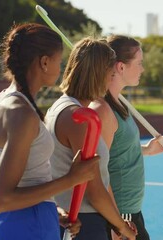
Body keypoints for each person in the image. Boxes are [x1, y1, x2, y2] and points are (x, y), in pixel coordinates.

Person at [0, 23, 99, 239]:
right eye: (60, 61)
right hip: (28, 226)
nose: (60, 70)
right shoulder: (22, 114)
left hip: (13, 222)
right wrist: (72, 179)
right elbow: (2, 199)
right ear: (44, 62)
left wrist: (50, 208)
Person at [44, 37, 137, 240]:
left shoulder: (58, 108)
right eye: (110, 74)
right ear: (98, 74)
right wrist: (122, 227)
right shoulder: (78, 117)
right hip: (82, 223)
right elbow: (94, 190)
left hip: (71, 218)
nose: (110, 80)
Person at [89, 35, 163, 240]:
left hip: (131, 211)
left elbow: (116, 151)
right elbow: (97, 169)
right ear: (121, 67)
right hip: (120, 213)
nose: (143, 69)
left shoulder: (119, 104)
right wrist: (116, 221)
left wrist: (147, 150)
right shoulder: (103, 110)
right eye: (139, 63)